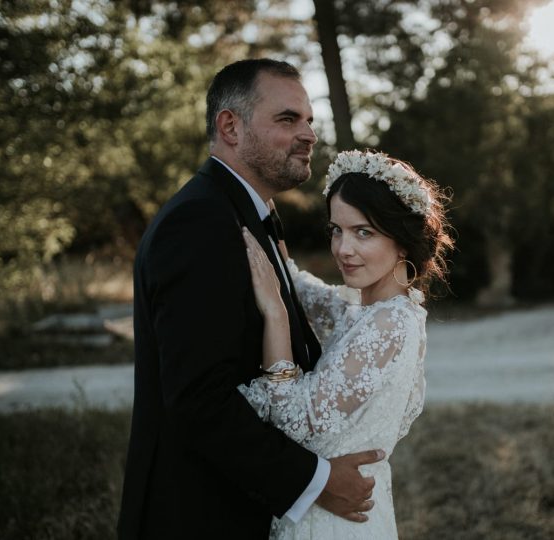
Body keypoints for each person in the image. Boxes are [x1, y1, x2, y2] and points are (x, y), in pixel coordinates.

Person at [118, 59, 385, 539]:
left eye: (309, 120)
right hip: (198, 517)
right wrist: (317, 480)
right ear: (230, 126)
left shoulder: (245, 214)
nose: (308, 134)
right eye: (288, 119)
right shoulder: (199, 223)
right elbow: (199, 400)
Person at [239, 149, 453, 538]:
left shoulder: (389, 323)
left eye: (363, 232)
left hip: (335, 525)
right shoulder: (369, 310)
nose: (343, 249)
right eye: (336, 229)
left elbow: (295, 423)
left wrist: (276, 314)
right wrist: (275, 248)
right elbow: (308, 292)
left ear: (402, 241)